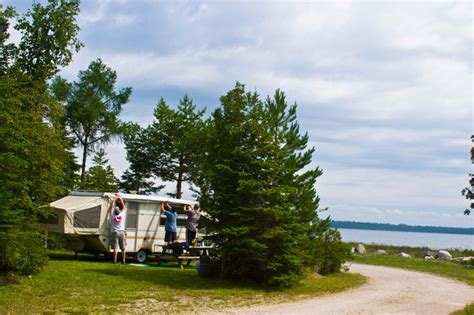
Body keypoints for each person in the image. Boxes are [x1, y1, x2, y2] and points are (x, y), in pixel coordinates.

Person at [110, 194, 127, 264]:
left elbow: (112, 206)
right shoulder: (121, 215)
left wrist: (115, 198)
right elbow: (124, 207)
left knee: (115, 248)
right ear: (119, 211)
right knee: (123, 248)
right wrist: (120, 198)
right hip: (122, 232)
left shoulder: (112, 215)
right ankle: (123, 260)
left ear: (114, 211)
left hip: (115, 232)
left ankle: (115, 260)